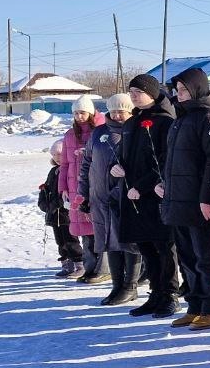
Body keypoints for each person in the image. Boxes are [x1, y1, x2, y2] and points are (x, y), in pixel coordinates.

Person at [159, 68, 210, 330]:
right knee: (188, 258)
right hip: (179, 199)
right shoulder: (182, 118)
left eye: (184, 90)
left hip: (200, 202)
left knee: (205, 256)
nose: (179, 95)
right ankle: (195, 305)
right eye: (177, 91)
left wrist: (208, 198)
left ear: (198, 88)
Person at [117, 75, 180, 316]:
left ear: (152, 93)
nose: (133, 95)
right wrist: (116, 165)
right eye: (131, 90)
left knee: (164, 246)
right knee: (145, 247)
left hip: (155, 194)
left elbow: (164, 161)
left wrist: (143, 186)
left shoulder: (165, 122)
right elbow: (125, 154)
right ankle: (155, 293)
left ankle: (169, 294)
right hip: (132, 195)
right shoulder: (132, 122)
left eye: (138, 91)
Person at [79, 93, 142, 306]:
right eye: (113, 110)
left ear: (130, 111)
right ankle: (116, 285)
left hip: (125, 197)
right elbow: (87, 163)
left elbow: (147, 162)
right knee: (108, 241)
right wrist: (84, 192)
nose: (116, 115)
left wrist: (127, 173)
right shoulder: (99, 133)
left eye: (121, 111)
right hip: (100, 197)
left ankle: (130, 286)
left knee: (128, 242)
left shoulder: (135, 131)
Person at [60, 95, 109, 284]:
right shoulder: (70, 135)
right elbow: (64, 164)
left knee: (99, 229)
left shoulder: (101, 131)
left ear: (90, 112)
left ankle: (104, 268)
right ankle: (89, 268)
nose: (79, 116)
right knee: (84, 232)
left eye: (82, 112)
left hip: (97, 187)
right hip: (75, 189)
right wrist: (62, 187)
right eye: (76, 113)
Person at [39, 140, 84, 277]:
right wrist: (43, 201)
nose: (57, 158)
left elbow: (66, 191)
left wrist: (57, 203)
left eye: (60, 154)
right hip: (54, 215)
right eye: (54, 155)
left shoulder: (69, 170)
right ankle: (66, 264)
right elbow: (47, 188)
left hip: (66, 212)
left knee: (71, 239)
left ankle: (79, 264)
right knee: (60, 241)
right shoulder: (53, 171)